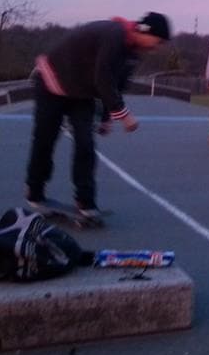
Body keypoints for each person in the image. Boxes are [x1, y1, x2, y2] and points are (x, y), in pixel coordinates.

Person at [25, 12, 172, 219]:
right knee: (45, 139)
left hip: (80, 92)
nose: (156, 48)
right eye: (157, 42)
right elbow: (103, 76)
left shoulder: (132, 54)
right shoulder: (114, 35)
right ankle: (35, 190)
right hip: (52, 82)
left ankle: (85, 201)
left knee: (85, 143)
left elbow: (116, 84)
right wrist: (124, 115)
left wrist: (106, 118)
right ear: (145, 31)